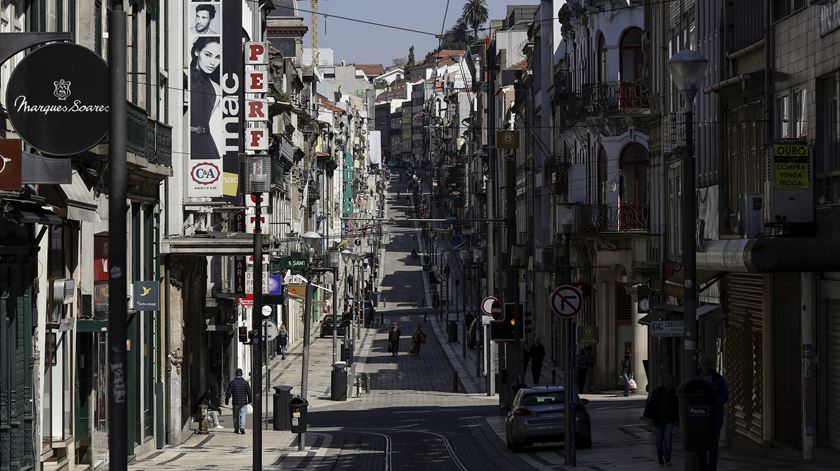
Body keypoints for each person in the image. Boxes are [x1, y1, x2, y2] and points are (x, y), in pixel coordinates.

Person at [189, 36, 222, 161]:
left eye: (217, 57)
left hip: (206, 143)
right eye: (208, 55)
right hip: (185, 139)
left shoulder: (216, 88)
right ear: (197, 52)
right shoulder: (185, 79)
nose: (212, 62)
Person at [700, 354, 729, 471]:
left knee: (713, 446)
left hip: (714, 417)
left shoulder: (718, 379)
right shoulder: (697, 379)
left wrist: (715, 403)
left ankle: (711, 468)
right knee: (701, 445)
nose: (706, 367)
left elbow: (725, 395)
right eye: (704, 364)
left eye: (707, 365)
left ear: (710, 366)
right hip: (700, 418)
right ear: (701, 366)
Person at [644, 375, 679, 466]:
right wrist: (651, 417)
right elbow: (651, 405)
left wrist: (676, 419)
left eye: (671, 386)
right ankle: (660, 457)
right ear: (664, 385)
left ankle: (668, 459)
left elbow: (676, 408)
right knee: (659, 441)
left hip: (669, 420)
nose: (669, 387)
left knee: (668, 441)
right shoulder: (657, 392)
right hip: (659, 420)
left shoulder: (674, 394)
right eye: (668, 385)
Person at [225, 368, 252, 434]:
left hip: (235, 402)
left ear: (236, 374)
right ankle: (242, 428)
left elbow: (228, 392)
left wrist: (227, 400)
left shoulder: (232, 383)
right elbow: (249, 392)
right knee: (242, 415)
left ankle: (236, 429)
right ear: (242, 374)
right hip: (243, 402)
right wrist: (250, 400)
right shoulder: (245, 383)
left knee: (235, 416)